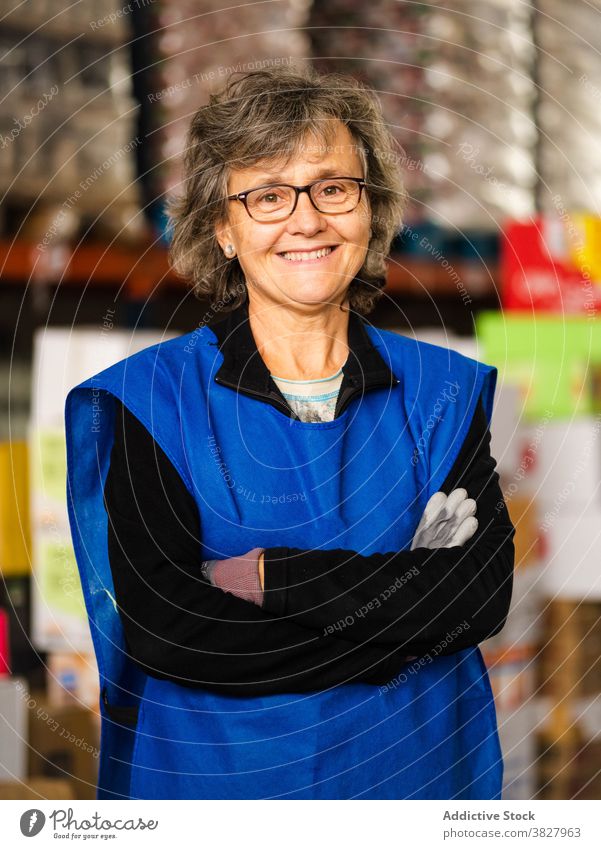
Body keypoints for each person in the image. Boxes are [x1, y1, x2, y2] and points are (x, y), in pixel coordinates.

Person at [65, 65, 515, 800]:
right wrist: (396, 618)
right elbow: (175, 631)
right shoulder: (149, 400)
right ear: (222, 226)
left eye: (332, 189)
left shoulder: (442, 393)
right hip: (218, 798)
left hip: (418, 790)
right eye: (268, 196)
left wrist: (268, 575)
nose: (305, 220)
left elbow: (475, 595)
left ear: (371, 210)